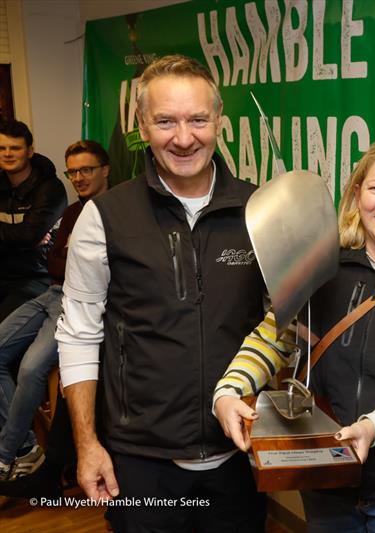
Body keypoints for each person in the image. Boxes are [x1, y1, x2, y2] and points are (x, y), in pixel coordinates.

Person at [214, 139, 375, 532]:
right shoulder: (320, 263)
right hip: (326, 484)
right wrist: (228, 391)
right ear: (357, 195)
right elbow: (270, 339)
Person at [55, 55, 266, 532]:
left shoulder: (260, 210)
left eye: (198, 119)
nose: (184, 137)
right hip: (143, 460)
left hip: (238, 453)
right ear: (143, 127)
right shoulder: (104, 216)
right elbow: (79, 335)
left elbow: (283, 326)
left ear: (220, 122)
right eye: (166, 121)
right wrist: (88, 445)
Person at [0, 140, 109, 483]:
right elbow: (54, 261)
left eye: (86, 169)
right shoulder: (75, 211)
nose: (78, 177)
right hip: (52, 292)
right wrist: (64, 260)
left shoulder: (116, 211)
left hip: (78, 303)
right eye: (72, 171)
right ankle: (27, 447)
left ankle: (3, 455)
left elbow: (86, 270)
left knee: (32, 369)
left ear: (105, 170)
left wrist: (64, 258)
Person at [0, 120, 67, 323]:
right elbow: (26, 238)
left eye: (15, 148)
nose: (8, 153)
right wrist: (22, 238)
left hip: (36, 279)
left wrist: (26, 238)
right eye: (2, 148)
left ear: (29, 151)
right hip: (3, 275)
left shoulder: (50, 188)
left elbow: (28, 236)